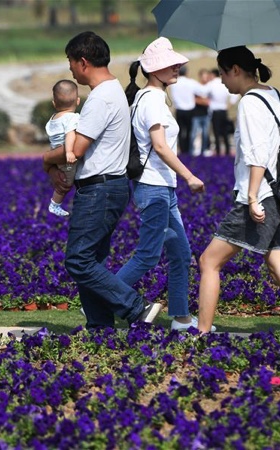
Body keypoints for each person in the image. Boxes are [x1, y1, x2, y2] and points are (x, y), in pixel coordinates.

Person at [196, 46, 280, 344]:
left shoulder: (249, 102)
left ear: (235, 70)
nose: (222, 81)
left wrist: (251, 198)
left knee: (209, 262)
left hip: (261, 195)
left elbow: (257, 155)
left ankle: (201, 333)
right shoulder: (273, 93)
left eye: (223, 73)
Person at [43, 31, 162, 329]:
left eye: (71, 62)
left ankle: (137, 308)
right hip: (106, 187)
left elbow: (77, 149)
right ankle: (99, 329)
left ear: (83, 62)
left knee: (78, 261)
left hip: (100, 188)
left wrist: (46, 160)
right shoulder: (111, 92)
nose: (70, 68)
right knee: (91, 262)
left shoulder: (101, 97)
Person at [118, 37, 211, 331]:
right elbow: (160, 146)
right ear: (154, 70)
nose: (177, 68)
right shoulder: (153, 101)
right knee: (147, 255)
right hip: (154, 188)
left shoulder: (146, 98)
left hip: (160, 188)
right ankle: (99, 298)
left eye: (177, 64)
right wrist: (190, 176)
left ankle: (181, 318)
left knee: (181, 254)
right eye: (170, 65)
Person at [45, 79, 80, 217]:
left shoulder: (53, 119)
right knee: (66, 183)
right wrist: (70, 151)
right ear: (77, 101)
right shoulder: (72, 118)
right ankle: (55, 204)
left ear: (54, 103)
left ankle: (55, 203)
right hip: (66, 157)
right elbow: (70, 134)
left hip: (56, 154)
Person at [170, 65, 201, 155]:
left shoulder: (174, 83)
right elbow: (201, 91)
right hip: (190, 110)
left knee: (180, 131)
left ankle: (182, 149)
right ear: (186, 72)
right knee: (189, 131)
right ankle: (188, 149)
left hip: (179, 109)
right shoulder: (191, 82)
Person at [207, 68, 239, 156]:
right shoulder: (223, 84)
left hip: (215, 111)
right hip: (224, 110)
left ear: (213, 75)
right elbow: (234, 96)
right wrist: (229, 105)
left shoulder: (211, 84)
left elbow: (203, 92)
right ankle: (227, 151)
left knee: (216, 133)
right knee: (225, 132)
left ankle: (218, 152)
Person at [190, 68, 211, 156]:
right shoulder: (196, 86)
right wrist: (204, 100)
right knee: (194, 134)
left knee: (205, 134)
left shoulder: (210, 87)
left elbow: (210, 101)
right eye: (204, 76)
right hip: (196, 114)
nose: (205, 78)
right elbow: (195, 100)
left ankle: (204, 150)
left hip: (206, 114)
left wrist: (201, 99)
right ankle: (191, 151)